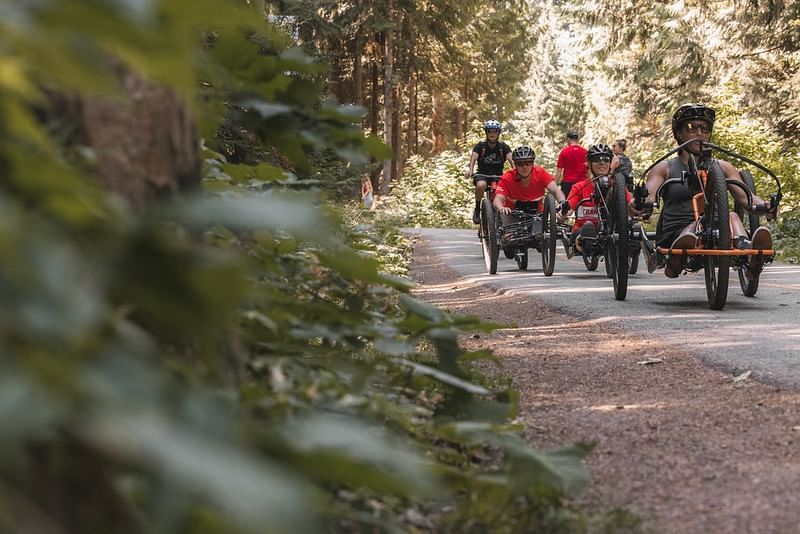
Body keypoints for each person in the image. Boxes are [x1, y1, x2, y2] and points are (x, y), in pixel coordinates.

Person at [635, 103, 776, 278]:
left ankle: (748, 252)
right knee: (697, 225)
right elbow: (650, 191)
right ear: (679, 133)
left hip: (716, 229)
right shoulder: (665, 168)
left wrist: (766, 205)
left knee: (732, 216)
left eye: (705, 128)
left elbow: (747, 199)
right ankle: (680, 250)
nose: (699, 133)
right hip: (677, 230)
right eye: (692, 127)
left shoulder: (723, 167)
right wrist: (644, 202)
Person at [566, 144, 633, 252]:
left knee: (633, 228)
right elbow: (567, 211)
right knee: (587, 230)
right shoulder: (579, 187)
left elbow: (631, 206)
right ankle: (582, 242)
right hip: (584, 229)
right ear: (589, 164)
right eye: (597, 160)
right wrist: (562, 213)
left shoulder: (618, 187)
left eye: (606, 160)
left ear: (610, 163)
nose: (602, 163)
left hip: (612, 231)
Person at [493, 145, 566, 230]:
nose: (524, 167)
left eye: (528, 163)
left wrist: (562, 202)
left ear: (532, 163)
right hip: (512, 213)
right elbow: (498, 199)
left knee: (540, 237)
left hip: (537, 214)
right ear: (515, 165)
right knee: (509, 238)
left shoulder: (540, 173)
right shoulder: (507, 177)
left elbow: (556, 190)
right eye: (520, 164)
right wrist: (501, 208)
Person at [465, 119, 513, 224]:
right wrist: (470, 170)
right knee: (481, 185)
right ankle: (477, 208)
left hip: (498, 176)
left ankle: (503, 215)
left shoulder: (503, 147)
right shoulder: (480, 146)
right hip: (483, 174)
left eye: (495, 131)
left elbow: (511, 160)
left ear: (498, 133)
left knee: (506, 190)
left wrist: (516, 172)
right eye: (489, 131)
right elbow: (473, 159)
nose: (492, 133)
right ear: (486, 132)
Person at [555, 131, 588, 198]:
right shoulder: (585, 152)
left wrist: (555, 184)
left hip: (568, 183)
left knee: (567, 205)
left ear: (568, 139)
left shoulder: (564, 152)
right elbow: (589, 169)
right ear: (577, 139)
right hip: (582, 183)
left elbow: (559, 170)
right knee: (581, 204)